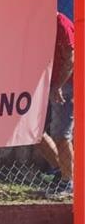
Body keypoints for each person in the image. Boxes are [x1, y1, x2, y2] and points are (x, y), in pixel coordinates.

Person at [36, 10, 74, 189]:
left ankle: (68, 182)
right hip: (45, 82)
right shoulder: (37, 22)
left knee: (61, 135)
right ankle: (61, 172)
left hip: (66, 84)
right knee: (35, 133)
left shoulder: (61, 23)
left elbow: (71, 59)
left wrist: (58, 85)